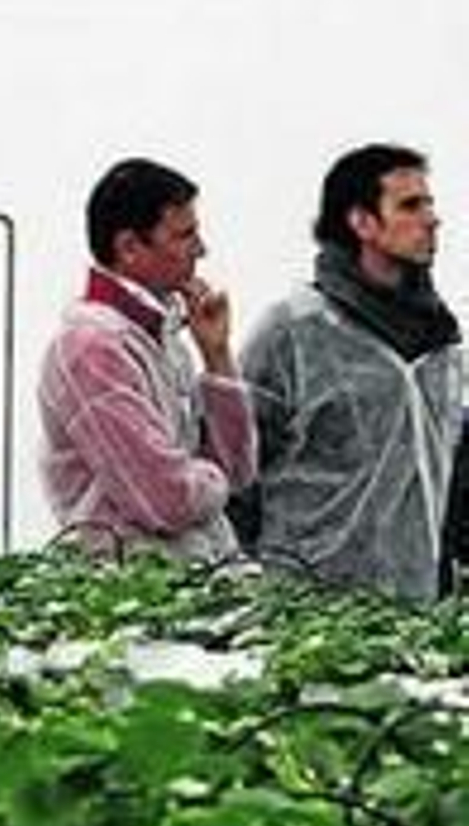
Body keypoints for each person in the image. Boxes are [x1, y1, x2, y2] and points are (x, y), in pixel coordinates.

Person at [234, 144, 462, 602]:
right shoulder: (293, 330)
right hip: (311, 613)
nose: (432, 219)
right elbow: (236, 469)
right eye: (410, 205)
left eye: (430, 203)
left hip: (416, 610)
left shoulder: (440, 342)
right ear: (362, 222)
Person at [37, 157, 257, 561]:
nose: (201, 250)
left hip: (200, 574)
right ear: (129, 247)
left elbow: (239, 471)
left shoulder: (161, 335)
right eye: (184, 236)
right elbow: (165, 499)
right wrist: (211, 479)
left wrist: (217, 354)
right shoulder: (91, 346)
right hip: (132, 591)